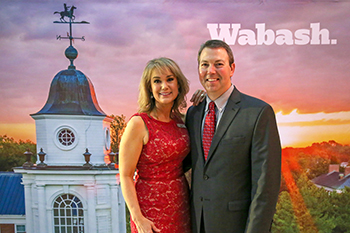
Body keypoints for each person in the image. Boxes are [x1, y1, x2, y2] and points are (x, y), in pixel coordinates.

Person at [184, 39, 281, 233]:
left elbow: (265, 188)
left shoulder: (258, 112)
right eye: (205, 65)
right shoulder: (193, 114)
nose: (211, 71)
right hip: (197, 224)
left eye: (218, 64)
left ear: (232, 68)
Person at [119, 57, 194, 233]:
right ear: (150, 88)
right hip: (149, 210)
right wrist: (138, 219)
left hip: (181, 205)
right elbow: (126, 175)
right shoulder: (138, 123)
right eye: (157, 81)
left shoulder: (179, 120)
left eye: (170, 79)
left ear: (178, 84)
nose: (164, 86)